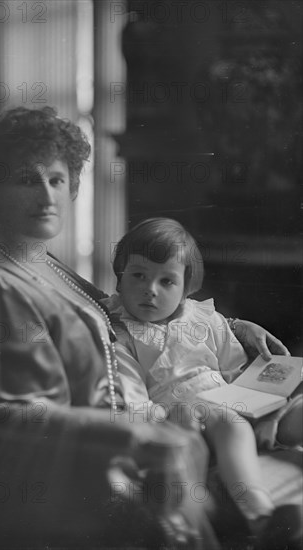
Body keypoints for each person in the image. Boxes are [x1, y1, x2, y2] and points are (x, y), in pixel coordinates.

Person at [0, 107, 294, 549]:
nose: (46, 196)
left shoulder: (35, 257)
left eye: (56, 180)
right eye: (25, 179)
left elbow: (113, 309)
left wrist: (230, 325)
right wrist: (137, 432)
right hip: (91, 464)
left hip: (145, 427)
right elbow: (8, 416)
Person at [103, 217, 302, 549]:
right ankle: (261, 516)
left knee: (295, 412)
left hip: (235, 401)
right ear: (120, 277)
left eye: (167, 281)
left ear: (185, 288)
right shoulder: (122, 336)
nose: (150, 289)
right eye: (139, 275)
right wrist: (169, 421)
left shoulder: (207, 320)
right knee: (230, 423)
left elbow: (235, 370)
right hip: (187, 418)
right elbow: (136, 401)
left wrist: (269, 397)